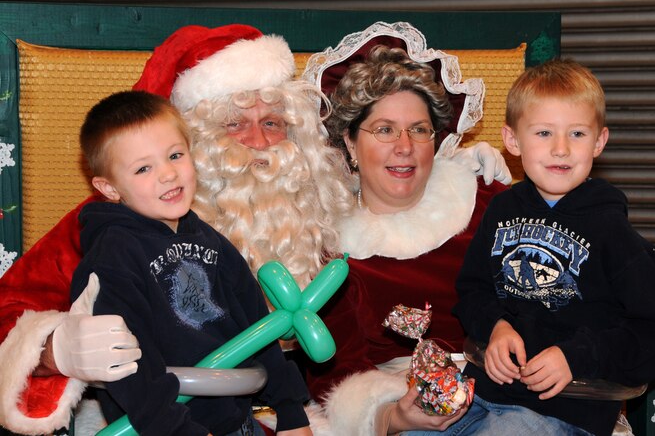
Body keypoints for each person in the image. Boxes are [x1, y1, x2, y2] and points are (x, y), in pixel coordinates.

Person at [0, 23, 510, 435]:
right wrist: (51, 349)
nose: (261, 143)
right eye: (236, 124)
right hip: (153, 417)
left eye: (275, 123)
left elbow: (398, 176)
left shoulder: (319, 201)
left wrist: (462, 169)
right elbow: (8, 312)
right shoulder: (117, 227)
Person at [298, 22, 510, 435]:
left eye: (419, 129)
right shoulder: (330, 248)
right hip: (410, 410)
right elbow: (337, 374)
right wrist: (393, 417)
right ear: (349, 143)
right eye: (384, 130)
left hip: (509, 395)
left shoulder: (485, 204)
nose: (405, 146)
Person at [70, 89, 311, 435]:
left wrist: (292, 412)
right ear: (109, 188)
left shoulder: (210, 241)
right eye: (143, 168)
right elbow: (126, 366)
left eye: (175, 155)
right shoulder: (112, 259)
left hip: (237, 422)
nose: (168, 174)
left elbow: (257, 328)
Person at [452, 59, 655, 436]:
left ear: (599, 142)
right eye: (544, 133)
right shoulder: (501, 209)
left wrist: (576, 358)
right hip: (483, 389)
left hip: (569, 408)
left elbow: (647, 328)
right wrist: (496, 326)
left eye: (577, 134)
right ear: (512, 140)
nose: (561, 149)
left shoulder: (609, 227)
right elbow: (472, 289)